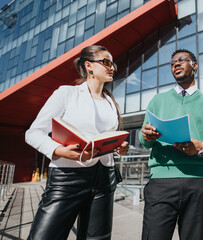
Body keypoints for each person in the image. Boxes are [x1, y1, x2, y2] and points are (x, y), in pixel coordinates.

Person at [25, 45, 129, 240]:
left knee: (97, 238)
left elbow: (105, 140)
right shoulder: (66, 94)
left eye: (113, 64)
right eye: (106, 62)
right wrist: (59, 150)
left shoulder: (110, 102)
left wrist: (118, 147)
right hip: (67, 178)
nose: (112, 67)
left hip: (104, 180)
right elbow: (33, 133)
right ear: (89, 66)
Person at [139, 49, 203, 240]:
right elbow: (143, 140)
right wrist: (147, 135)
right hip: (161, 181)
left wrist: (201, 147)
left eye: (181, 60)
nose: (175, 65)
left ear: (194, 65)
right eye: (172, 63)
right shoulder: (157, 100)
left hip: (198, 182)